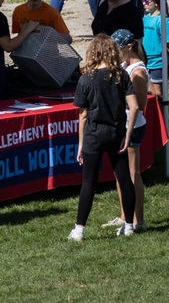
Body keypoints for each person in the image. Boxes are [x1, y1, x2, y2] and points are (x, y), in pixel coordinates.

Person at [68, 35, 139, 240]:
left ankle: (79, 229)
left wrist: (81, 143)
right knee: (124, 179)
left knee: (89, 182)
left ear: (92, 52)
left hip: (93, 134)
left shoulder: (86, 78)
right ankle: (128, 226)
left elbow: (83, 115)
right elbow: (134, 106)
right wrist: (128, 131)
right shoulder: (121, 76)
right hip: (116, 133)